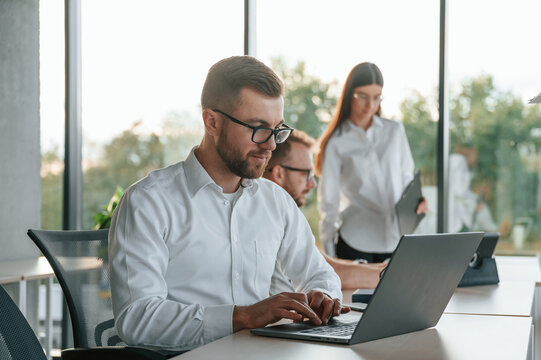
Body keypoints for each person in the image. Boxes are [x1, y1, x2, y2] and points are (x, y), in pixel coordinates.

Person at [108, 56, 346, 352]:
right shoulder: (149, 202)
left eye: (276, 129)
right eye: (258, 128)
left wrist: (322, 296)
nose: (271, 144)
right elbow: (136, 318)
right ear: (212, 122)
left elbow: (319, 274)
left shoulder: (275, 202)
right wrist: (242, 316)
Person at [315, 62, 428, 263]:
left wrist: (417, 202)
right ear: (349, 95)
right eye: (363, 97)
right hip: (355, 243)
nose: (370, 105)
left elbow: (406, 177)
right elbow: (329, 202)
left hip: (397, 241)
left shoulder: (394, 131)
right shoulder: (336, 142)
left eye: (377, 97)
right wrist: (330, 254)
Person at [263, 130, 385, 290]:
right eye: (306, 174)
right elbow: (337, 274)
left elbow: (323, 264)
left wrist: (381, 268)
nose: (312, 184)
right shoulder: (267, 215)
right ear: (279, 173)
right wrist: (394, 274)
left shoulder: (282, 214)